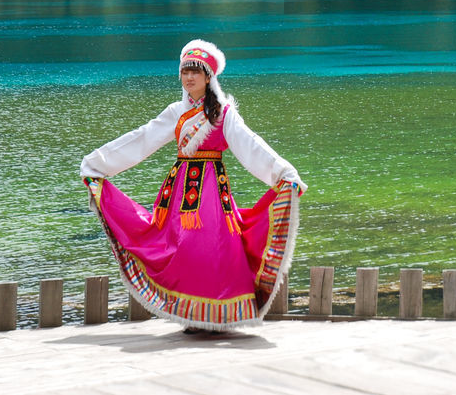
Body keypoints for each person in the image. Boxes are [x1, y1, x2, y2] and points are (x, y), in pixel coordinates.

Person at [81, 39, 305, 331]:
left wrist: (283, 173)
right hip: (178, 193)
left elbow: (251, 146)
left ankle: (217, 316)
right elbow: (142, 139)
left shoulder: (224, 113)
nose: (189, 77)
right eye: (185, 71)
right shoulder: (176, 111)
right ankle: (192, 315)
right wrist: (98, 163)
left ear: (209, 76)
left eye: (196, 72)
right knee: (179, 251)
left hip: (212, 192)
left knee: (214, 249)